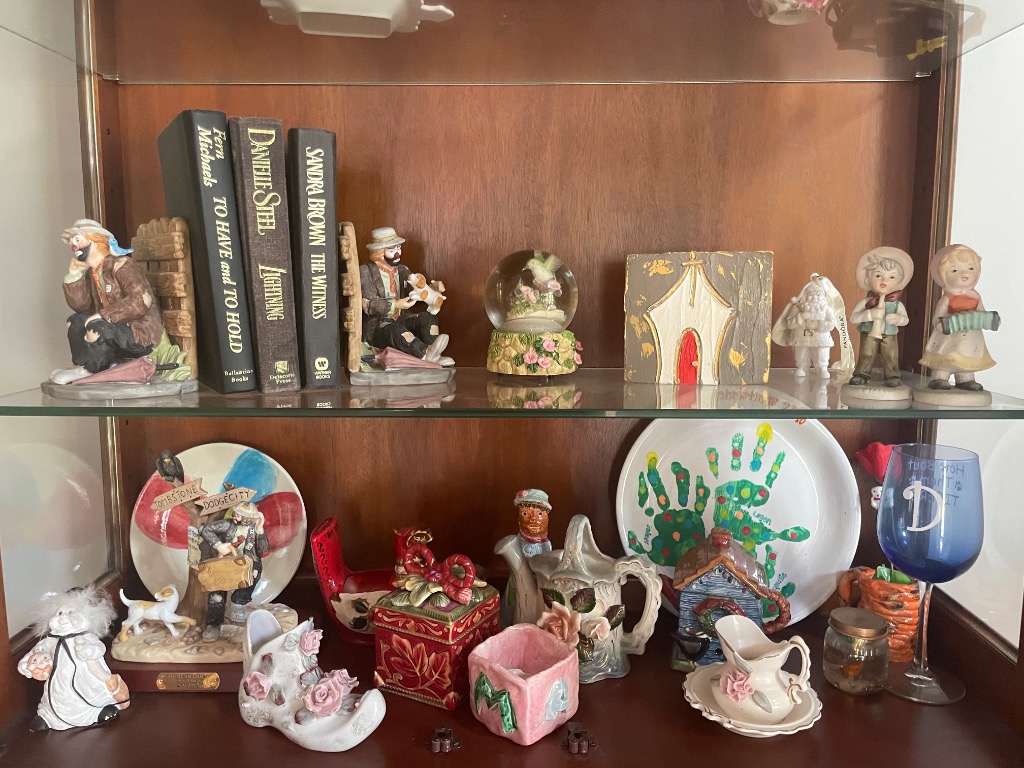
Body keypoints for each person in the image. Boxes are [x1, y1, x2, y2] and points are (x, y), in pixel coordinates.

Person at [55, 219, 164, 383]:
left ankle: (92, 369)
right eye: (71, 242)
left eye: (77, 240)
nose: (74, 246)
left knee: (97, 326)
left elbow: (141, 301)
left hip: (138, 332)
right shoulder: (92, 272)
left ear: (96, 240)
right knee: (75, 321)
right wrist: (74, 275)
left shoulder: (122, 265)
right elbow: (81, 306)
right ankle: (82, 366)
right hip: (114, 329)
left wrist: (103, 315)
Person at [359, 226, 452, 366]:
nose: (398, 253)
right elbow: (369, 304)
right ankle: (425, 353)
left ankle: (434, 352)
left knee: (427, 318)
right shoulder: (366, 271)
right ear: (379, 252)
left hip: (401, 318)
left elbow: (417, 289)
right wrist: (395, 305)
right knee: (396, 330)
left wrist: (432, 288)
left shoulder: (402, 270)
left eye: (398, 248)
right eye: (392, 250)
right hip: (379, 326)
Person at [919, 244, 997, 391]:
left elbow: (982, 313)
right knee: (947, 356)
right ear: (943, 275)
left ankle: (965, 378)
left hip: (971, 336)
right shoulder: (947, 298)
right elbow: (937, 318)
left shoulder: (975, 297)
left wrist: (989, 320)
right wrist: (941, 325)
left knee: (967, 356)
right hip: (949, 336)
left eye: (971, 268)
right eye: (954, 270)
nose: (964, 274)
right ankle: (940, 377)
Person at [199, 501, 270, 641]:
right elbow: (205, 529)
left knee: (253, 574)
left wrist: (260, 529)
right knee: (216, 593)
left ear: (248, 518)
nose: (234, 516)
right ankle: (213, 623)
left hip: (248, 562)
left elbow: (264, 551)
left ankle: (239, 601)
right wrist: (218, 545)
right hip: (225, 562)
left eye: (239, 514)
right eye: (235, 513)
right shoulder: (228, 524)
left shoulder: (254, 529)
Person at [848, 247, 914, 387]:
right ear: (868, 279)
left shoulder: (896, 305)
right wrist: (869, 314)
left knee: (891, 354)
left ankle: (892, 376)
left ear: (899, 282)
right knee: (866, 353)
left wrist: (898, 319)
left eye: (891, 277)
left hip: (889, 334)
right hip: (869, 332)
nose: (884, 280)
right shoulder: (868, 302)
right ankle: (861, 374)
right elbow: (853, 318)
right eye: (878, 275)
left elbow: (905, 320)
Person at [771, 279, 836, 378]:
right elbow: (789, 324)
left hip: (821, 338)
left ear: (823, 297)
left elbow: (832, 323)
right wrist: (800, 317)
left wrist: (819, 324)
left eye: (818, 295)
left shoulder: (827, 309)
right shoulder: (797, 308)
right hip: (801, 337)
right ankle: (801, 367)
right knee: (801, 354)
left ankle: (822, 368)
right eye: (811, 295)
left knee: (821, 355)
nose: (815, 298)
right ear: (805, 296)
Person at [513, 488, 553, 557]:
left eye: (540, 514)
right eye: (525, 513)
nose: (533, 519)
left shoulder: (546, 544)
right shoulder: (516, 544)